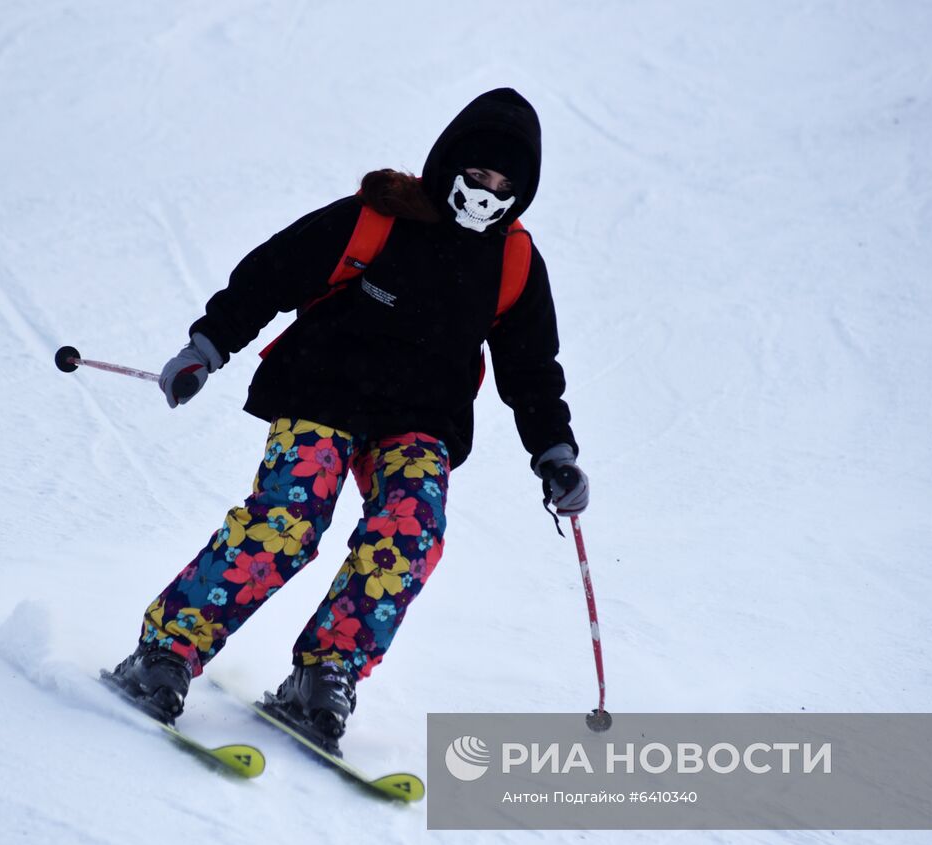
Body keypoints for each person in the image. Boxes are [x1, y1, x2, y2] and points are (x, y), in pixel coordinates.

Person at [105, 88, 590, 753]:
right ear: (449, 163)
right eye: (476, 175)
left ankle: (325, 670)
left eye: (505, 184)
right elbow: (273, 271)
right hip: (324, 392)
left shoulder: (512, 264)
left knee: (412, 531)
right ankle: (165, 652)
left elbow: (532, 368)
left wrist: (555, 453)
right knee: (291, 519)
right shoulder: (382, 217)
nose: (486, 192)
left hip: (419, 420)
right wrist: (207, 347)